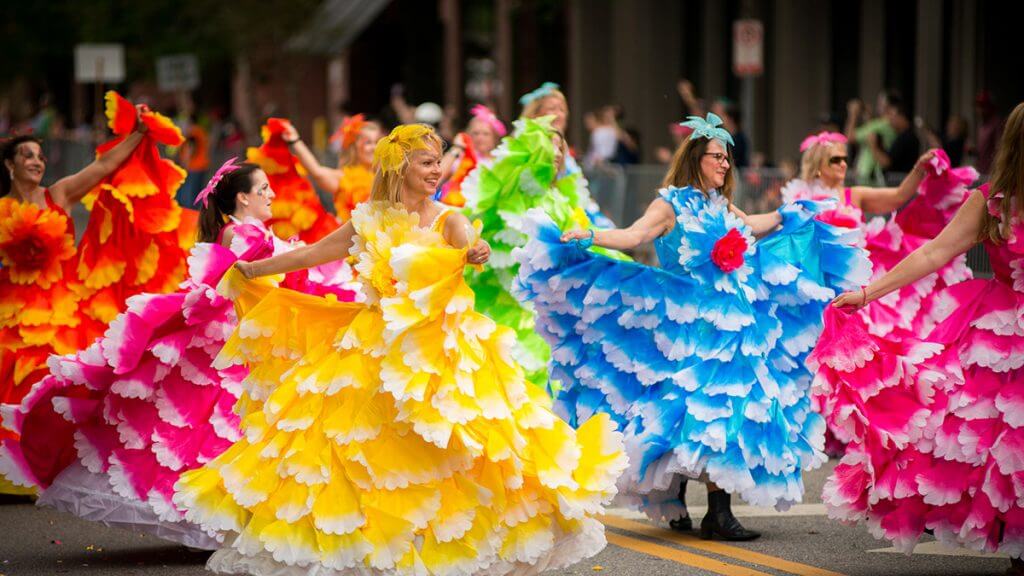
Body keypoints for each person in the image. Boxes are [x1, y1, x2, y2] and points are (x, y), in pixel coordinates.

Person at [173, 124, 627, 575]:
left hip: (438, 353)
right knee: (366, 458)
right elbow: (313, 254)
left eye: (438, 161)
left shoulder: (449, 218)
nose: (436, 170)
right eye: (427, 162)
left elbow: (472, 243)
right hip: (373, 348)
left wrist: (476, 250)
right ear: (400, 166)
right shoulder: (369, 217)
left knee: (449, 455)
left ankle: (443, 548)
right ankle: (380, 550)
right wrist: (252, 269)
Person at [515, 113, 868, 541]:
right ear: (695, 159)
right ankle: (690, 504)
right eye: (717, 157)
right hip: (686, 323)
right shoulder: (672, 202)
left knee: (720, 410)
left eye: (727, 158)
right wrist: (589, 236)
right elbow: (633, 235)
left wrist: (786, 215)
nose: (724, 164)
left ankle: (714, 511)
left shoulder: (719, 203)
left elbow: (749, 228)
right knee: (694, 410)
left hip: (732, 321)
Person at [0, 158, 359, 547]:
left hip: (247, 341)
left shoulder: (245, 233)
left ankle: (230, 517)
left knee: (232, 432)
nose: (272, 195)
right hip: (232, 347)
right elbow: (253, 278)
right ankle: (218, 517)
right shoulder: (244, 236)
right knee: (222, 432)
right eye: (263, 189)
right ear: (242, 198)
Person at [819, 100, 1024, 574]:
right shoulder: (991, 201)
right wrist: (867, 293)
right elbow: (933, 253)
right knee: (996, 444)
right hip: (1001, 339)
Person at [0, 99, 160, 496]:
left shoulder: (60, 194)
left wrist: (137, 134)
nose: (36, 162)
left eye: (39, 156)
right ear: (10, 165)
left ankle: (48, 465)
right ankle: (9, 472)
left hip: (61, 310)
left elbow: (103, 168)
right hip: (11, 310)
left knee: (54, 384)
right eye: (27, 156)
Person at [520, 82, 616, 228]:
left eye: (562, 109)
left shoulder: (563, 148)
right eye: (552, 109)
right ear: (536, 114)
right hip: (538, 219)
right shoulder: (526, 143)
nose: (559, 114)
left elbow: (576, 190)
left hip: (566, 215)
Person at [281, 114, 383, 223]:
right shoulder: (344, 178)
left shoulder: (388, 177)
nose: (374, 147)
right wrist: (295, 141)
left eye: (377, 142)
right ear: (354, 147)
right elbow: (317, 172)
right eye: (368, 142)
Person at [435, 104, 505, 207]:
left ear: (495, 138)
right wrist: (457, 148)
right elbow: (437, 176)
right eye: (476, 133)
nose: (480, 137)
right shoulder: (462, 159)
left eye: (485, 134)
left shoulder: (501, 161)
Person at [870, 96, 920, 176]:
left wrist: (873, 145)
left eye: (893, 116)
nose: (890, 120)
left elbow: (886, 162)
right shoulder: (903, 136)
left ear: (902, 117)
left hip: (898, 181)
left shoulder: (906, 138)